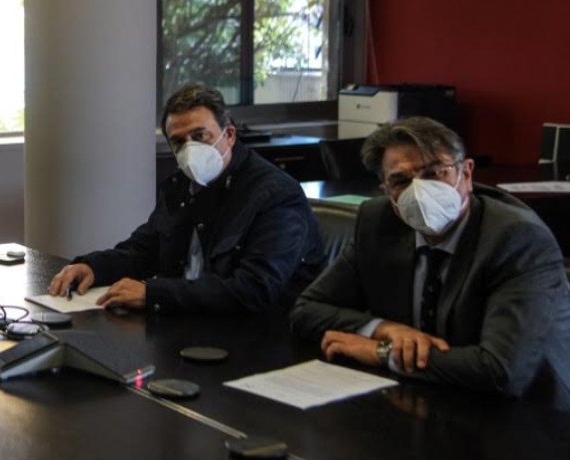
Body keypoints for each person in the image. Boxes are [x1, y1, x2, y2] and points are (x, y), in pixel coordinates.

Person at [290, 116, 570, 408]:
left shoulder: (517, 239)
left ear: (466, 173)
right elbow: (306, 310)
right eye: (401, 181)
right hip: (426, 398)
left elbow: (500, 371)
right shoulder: (377, 222)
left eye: (434, 173)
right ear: (386, 190)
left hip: (530, 415)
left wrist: (383, 353)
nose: (420, 190)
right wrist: (385, 329)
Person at [48, 85, 325, 316]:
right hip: (189, 324)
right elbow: (146, 250)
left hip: (261, 337)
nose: (190, 148)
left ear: (229, 135)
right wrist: (93, 267)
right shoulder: (181, 186)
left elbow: (255, 289)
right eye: (179, 142)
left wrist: (154, 294)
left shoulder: (276, 195)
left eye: (200, 135)